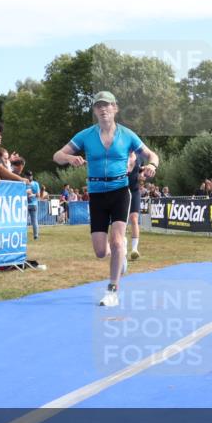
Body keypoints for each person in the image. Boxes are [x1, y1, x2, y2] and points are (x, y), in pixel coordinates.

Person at [53, 91, 159, 307]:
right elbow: (57, 155)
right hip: (97, 194)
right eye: (98, 106)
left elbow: (151, 155)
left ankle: (112, 290)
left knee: (118, 240)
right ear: (94, 111)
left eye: (107, 105)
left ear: (115, 108)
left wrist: (152, 165)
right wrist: (70, 158)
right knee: (101, 251)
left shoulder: (127, 135)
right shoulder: (86, 135)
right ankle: (118, 257)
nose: (103, 109)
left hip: (120, 190)